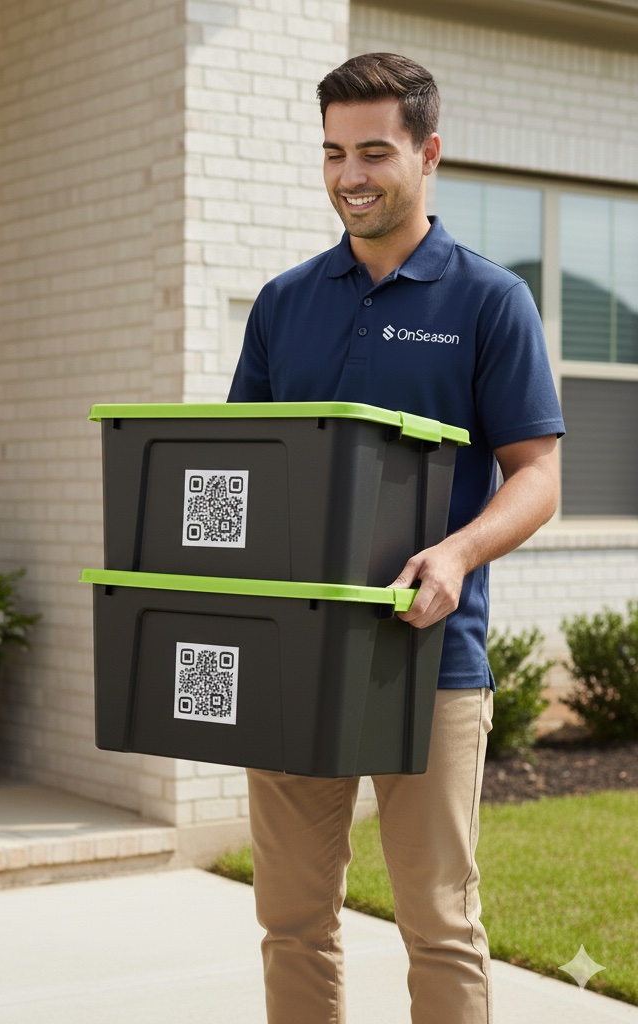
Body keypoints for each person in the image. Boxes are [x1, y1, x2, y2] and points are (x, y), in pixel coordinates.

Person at [228, 53, 564, 1024]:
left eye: (373, 151)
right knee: (291, 917)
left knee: (437, 920)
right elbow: (242, 467)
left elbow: (535, 474)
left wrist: (456, 553)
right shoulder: (285, 301)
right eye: (332, 153)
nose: (349, 175)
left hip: (430, 659)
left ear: (428, 153)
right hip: (295, 657)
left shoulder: (486, 300)